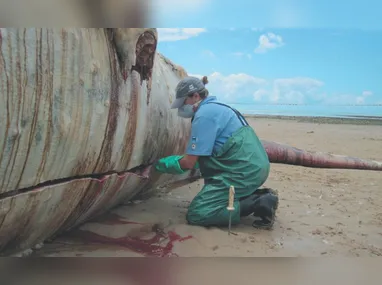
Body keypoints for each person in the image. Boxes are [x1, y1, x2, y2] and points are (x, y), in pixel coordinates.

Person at [154, 76, 279, 229]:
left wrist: (160, 164)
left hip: (242, 172)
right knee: (211, 195)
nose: (182, 107)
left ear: (195, 96)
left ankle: (260, 202)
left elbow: (189, 162)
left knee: (198, 213)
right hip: (253, 166)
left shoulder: (204, 115)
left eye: (183, 102)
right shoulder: (217, 107)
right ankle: (252, 197)